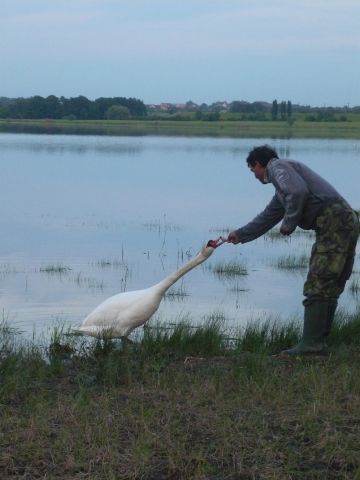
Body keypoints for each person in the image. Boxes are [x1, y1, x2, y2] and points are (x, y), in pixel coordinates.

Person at [227, 145, 359, 355]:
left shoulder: (278, 167)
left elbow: (298, 192)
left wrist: (289, 223)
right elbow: (269, 216)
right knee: (331, 282)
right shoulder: (283, 187)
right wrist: (241, 234)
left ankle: (310, 345)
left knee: (319, 280)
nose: (255, 176)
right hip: (345, 220)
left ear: (259, 164)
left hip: (335, 221)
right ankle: (319, 344)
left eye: (253, 170)